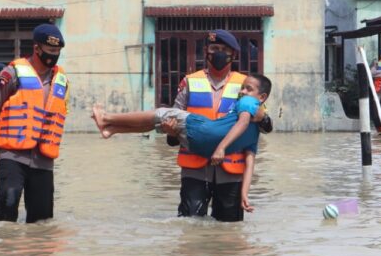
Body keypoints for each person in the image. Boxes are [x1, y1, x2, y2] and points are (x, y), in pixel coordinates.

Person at [93, 74, 272, 214]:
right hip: (198, 149)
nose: (242, 92)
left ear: (262, 97)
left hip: (201, 131)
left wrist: (221, 148)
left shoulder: (248, 103)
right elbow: (251, 162)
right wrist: (245, 194)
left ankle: (107, 118)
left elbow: (243, 123)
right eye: (243, 89)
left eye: (248, 89)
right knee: (158, 123)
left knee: (160, 114)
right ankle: (112, 129)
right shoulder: (254, 133)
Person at [162, 29, 272, 222]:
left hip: (231, 169)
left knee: (230, 230)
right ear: (206, 51)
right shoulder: (189, 82)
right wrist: (171, 133)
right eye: (214, 48)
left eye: (223, 49)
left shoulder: (245, 85)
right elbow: (173, 132)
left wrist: (262, 116)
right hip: (194, 168)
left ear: (234, 55)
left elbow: (266, 126)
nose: (218, 53)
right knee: (190, 225)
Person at [0, 24, 69, 224]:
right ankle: (5, 254)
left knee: (42, 222)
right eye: (50, 52)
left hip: (43, 159)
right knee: (6, 213)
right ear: (37, 49)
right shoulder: (12, 73)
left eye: (57, 52)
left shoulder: (61, 81)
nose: (53, 56)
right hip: (12, 154)